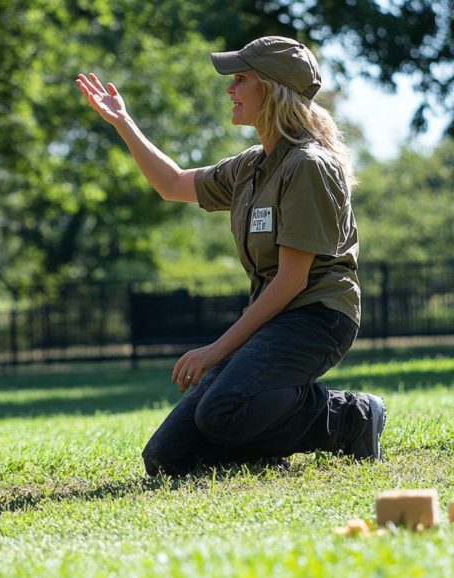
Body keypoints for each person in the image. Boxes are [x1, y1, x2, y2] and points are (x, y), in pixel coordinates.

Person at [76, 36, 386, 475]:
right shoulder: (252, 165)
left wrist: (215, 351)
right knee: (167, 459)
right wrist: (123, 121)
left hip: (318, 315)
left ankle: (351, 417)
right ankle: (261, 447)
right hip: (277, 317)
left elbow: (293, 281)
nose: (230, 89)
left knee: (223, 409)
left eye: (241, 79)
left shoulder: (309, 165)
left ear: (273, 90)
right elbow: (173, 184)